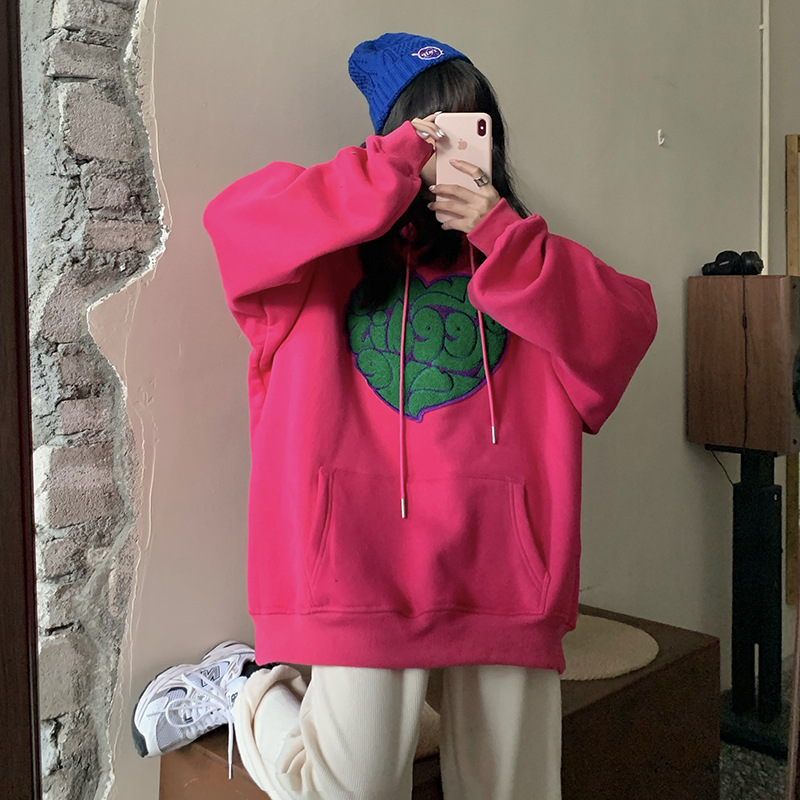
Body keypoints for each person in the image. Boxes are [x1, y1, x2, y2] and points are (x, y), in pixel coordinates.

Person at [136, 31, 658, 800]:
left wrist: (500, 234)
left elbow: (625, 328)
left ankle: (409, 721)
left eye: (469, 127)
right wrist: (385, 172)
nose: (448, 150)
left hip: (502, 569)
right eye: (429, 132)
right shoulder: (316, 264)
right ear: (392, 139)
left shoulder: (526, 264)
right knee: (345, 791)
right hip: (358, 565)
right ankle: (251, 689)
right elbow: (232, 225)